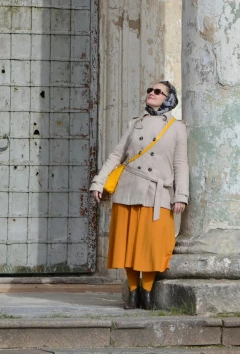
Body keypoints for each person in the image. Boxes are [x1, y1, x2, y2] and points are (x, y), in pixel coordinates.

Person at [89, 81, 188, 310]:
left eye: (157, 92)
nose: (151, 94)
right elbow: (116, 155)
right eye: (149, 91)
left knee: (153, 245)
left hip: (157, 193)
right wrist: (99, 181)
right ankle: (134, 293)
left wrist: (181, 195)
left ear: (168, 98)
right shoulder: (135, 123)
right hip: (129, 189)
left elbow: (181, 163)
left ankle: (148, 291)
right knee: (129, 244)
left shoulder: (176, 127)